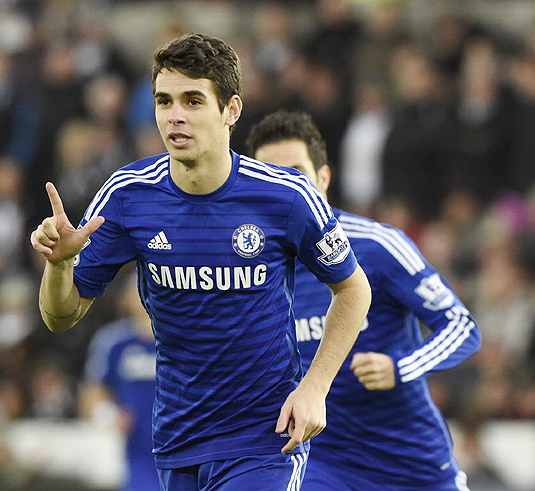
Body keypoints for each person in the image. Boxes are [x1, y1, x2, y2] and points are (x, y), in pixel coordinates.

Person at [30, 33, 371, 491]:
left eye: (193, 100)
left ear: (231, 110)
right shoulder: (128, 195)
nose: (175, 116)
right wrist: (58, 266)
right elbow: (60, 315)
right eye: (164, 101)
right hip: (178, 440)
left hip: (264, 440)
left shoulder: (286, 195)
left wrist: (314, 387)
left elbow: (354, 288)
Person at [246, 110, 481, 491]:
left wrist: (400, 367)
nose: (285, 189)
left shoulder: (376, 247)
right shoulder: (252, 269)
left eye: (296, 174)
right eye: (271, 178)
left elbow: (462, 327)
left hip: (412, 464)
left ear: (323, 178)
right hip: (321, 466)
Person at [80, 272, 158, 491]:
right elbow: (92, 393)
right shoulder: (114, 341)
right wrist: (107, 414)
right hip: (136, 447)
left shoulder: (184, 338)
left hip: (183, 439)